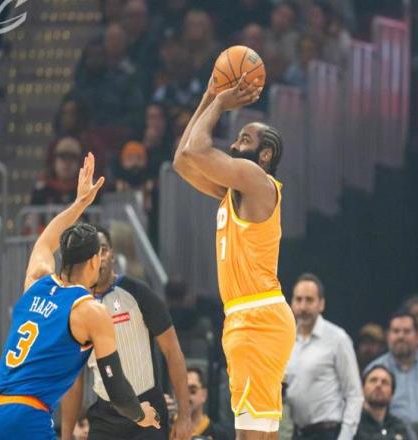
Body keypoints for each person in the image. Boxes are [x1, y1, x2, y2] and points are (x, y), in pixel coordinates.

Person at [0, 153, 160, 439]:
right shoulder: (90, 311)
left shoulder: (36, 282)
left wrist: (79, 203)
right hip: (24, 417)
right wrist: (141, 414)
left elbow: (45, 240)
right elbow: (117, 389)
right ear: (95, 260)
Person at [173, 74, 296, 439]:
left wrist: (220, 104)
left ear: (265, 155)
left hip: (257, 317)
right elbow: (183, 158)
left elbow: (199, 150)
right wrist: (208, 96)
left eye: (244, 139)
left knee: (249, 434)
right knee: (260, 431)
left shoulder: (256, 179)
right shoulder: (236, 191)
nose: (233, 144)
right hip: (247, 316)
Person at [61, 225, 192, 440]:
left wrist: (184, 415)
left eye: (103, 250)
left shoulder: (139, 293)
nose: (99, 258)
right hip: (105, 417)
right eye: (93, 253)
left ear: (112, 254)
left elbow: (172, 351)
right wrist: (66, 435)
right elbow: (74, 380)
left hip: (148, 409)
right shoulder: (76, 309)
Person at [285, 273, 363, 440]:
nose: (303, 307)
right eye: (298, 299)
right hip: (295, 433)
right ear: (291, 303)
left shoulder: (338, 339)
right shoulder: (285, 340)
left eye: (309, 300)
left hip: (327, 433)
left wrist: (345, 437)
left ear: (321, 304)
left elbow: (354, 394)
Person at [167, 367, 234, 439]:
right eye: (180, 391)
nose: (186, 396)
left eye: (192, 391)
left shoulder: (221, 435)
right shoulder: (163, 429)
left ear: (204, 394)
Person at [355, 365, 416, 440]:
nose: (378, 385)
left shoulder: (400, 428)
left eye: (384, 382)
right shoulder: (353, 425)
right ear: (362, 389)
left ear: (392, 393)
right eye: (373, 380)